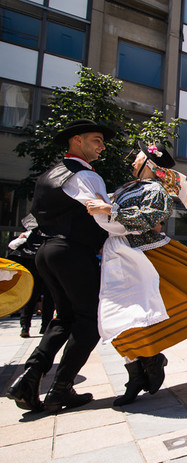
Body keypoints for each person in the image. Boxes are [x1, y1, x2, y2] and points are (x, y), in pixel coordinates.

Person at [84, 143, 187, 405]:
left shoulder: (156, 190)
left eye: (137, 157)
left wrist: (108, 210)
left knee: (141, 311)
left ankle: (147, 362)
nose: (132, 161)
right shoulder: (125, 188)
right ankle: (139, 368)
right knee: (115, 316)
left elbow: (152, 217)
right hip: (119, 255)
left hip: (148, 254)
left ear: (149, 162)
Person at [6, 119, 113, 414]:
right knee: (90, 321)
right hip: (72, 252)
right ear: (76, 140)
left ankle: (29, 377)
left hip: (48, 251)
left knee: (64, 318)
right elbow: (102, 216)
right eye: (96, 139)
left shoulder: (48, 175)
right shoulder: (86, 176)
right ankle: (61, 387)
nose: (102, 146)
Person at [7, 225, 55, 338]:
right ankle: (43, 327)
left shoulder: (32, 234)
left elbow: (12, 245)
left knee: (35, 298)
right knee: (47, 298)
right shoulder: (50, 233)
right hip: (45, 269)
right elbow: (13, 245)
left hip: (37, 270)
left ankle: (27, 327)